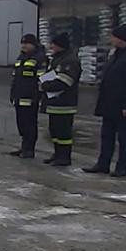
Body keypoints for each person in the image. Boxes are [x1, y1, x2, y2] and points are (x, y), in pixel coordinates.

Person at [86, 25, 126, 178]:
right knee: (107, 135)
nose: (111, 39)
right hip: (110, 103)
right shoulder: (117, 54)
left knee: (124, 138)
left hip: (124, 105)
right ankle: (103, 163)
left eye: (113, 37)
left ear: (121, 39)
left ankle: (122, 167)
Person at [40, 33, 81, 167]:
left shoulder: (70, 61)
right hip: (54, 102)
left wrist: (45, 86)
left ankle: (64, 157)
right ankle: (57, 154)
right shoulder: (57, 59)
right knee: (54, 131)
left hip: (65, 103)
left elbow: (65, 82)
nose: (51, 46)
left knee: (64, 132)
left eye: (53, 44)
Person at [8, 34, 44, 159]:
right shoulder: (21, 58)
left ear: (33, 45)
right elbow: (15, 78)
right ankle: (24, 147)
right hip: (19, 97)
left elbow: (42, 79)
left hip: (30, 98)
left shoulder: (39, 58)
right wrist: (12, 94)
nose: (24, 45)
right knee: (21, 124)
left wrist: (37, 96)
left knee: (30, 124)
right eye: (22, 43)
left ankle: (29, 149)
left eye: (27, 43)